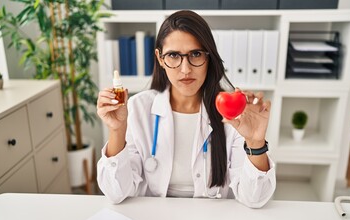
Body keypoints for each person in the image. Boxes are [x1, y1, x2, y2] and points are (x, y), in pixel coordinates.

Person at [96, 10, 276, 208]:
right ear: (160, 58)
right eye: (174, 55)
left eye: (196, 54)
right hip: (155, 219)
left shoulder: (234, 113)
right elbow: (116, 193)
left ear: (209, 57)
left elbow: (255, 199)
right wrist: (117, 131)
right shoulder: (138, 108)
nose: (185, 69)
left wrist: (256, 142)